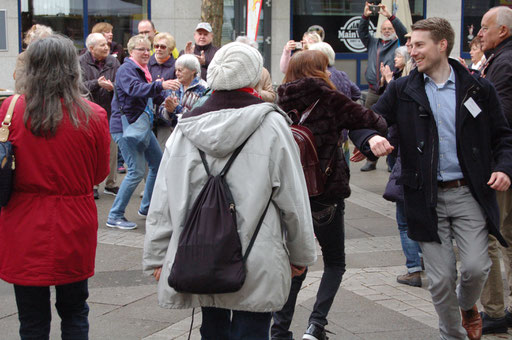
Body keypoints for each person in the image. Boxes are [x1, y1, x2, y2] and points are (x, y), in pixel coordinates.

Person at [143, 42, 317, 339]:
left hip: (200, 253)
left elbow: (162, 199)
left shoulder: (185, 128)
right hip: (258, 253)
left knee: (212, 322)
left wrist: (157, 256)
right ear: (252, 76)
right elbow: (293, 198)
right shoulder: (273, 126)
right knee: (253, 328)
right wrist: (300, 253)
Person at [364, 17, 512, 340]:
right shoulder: (403, 89)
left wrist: (503, 168)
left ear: (442, 45)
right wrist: (368, 140)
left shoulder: (477, 87)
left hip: (469, 194)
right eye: (410, 44)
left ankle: (467, 305)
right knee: (441, 278)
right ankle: (452, 336)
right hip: (424, 197)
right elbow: (369, 119)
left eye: (419, 45)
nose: (411, 51)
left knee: (476, 268)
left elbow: (503, 136)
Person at [271, 50, 387, 340]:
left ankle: (279, 330)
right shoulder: (330, 99)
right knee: (335, 262)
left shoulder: (278, 102)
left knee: (296, 262)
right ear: (320, 70)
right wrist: (369, 136)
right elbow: (374, 119)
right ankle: (315, 326)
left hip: (290, 196)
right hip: (326, 194)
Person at [0, 34, 110, 340]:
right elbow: (99, 174)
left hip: (22, 221)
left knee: (31, 319)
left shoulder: (11, 109)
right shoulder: (93, 115)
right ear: (72, 69)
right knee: (75, 312)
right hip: (73, 221)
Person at [106, 34, 176, 230]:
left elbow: (150, 94)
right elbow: (135, 89)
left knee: (157, 163)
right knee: (136, 171)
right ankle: (115, 215)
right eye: (142, 49)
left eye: (148, 49)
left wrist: (168, 100)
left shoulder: (143, 70)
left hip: (141, 125)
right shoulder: (126, 69)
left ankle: (146, 207)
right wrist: (160, 85)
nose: (147, 53)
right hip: (126, 127)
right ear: (131, 52)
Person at [476, 5, 512, 335]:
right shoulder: (501, 59)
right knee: (508, 236)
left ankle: (495, 310)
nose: (479, 34)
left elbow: (497, 116)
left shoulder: (503, 62)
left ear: (503, 30)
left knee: (487, 235)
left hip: (501, 164)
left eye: (485, 28)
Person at [358, 1, 407, 172]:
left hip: (390, 90)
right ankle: (371, 159)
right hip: (373, 90)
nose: (387, 31)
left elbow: (404, 33)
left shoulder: (398, 44)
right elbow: (362, 32)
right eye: (384, 29)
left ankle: (390, 159)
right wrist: (365, 16)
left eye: (390, 28)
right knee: (368, 124)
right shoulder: (373, 43)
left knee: (390, 125)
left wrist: (390, 17)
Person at [80, 33, 121, 199]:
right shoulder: (80, 62)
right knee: (91, 150)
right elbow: (78, 87)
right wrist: (97, 83)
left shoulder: (113, 62)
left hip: (110, 111)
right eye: (102, 45)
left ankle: (111, 184)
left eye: (107, 44)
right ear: (91, 48)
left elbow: (121, 82)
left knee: (112, 149)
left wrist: (113, 87)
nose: (107, 47)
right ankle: (93, 184)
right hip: (89, 112)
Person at [157, 54, 208, 148]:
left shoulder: (204, 89)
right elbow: (161, 112)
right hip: (173, 137)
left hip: (194, 140)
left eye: (180, 70)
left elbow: (199, 118)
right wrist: (168, 110)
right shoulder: (174, 85)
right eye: (176, 70)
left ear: (193, 71)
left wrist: (177, 109)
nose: (177, 73)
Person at [235, 35, 276, 102]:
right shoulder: (232, 70)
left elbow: (271, 96)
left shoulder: (263, 71)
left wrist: (256, 91)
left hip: (257, 108)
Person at [13, 24, 53, 94]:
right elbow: (21, 87)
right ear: (34, 41)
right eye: (44, 41)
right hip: (31, 99)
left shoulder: (53, 56)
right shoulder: (24, 57)